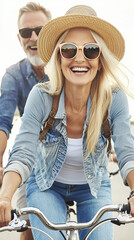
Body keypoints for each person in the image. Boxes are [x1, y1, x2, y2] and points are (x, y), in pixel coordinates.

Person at [0, 4, 134, 240]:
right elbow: (23, 151)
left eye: (91, 50)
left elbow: (127, 152)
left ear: (101, 59)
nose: (79, 58)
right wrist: (4, 196)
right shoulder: (41, 96)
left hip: (93, 188)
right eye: (69, 50)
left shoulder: (114, 99)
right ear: (58, 58)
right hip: (45, 184)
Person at [0, 2, 51, 240]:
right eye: (25, 32)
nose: (33, 37)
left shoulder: (69, 64)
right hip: (30, 158)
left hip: (72, 160)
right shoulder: (13, 75)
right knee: (28, 224)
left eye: (40, 30)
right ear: (18, 37)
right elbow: (3, 122)